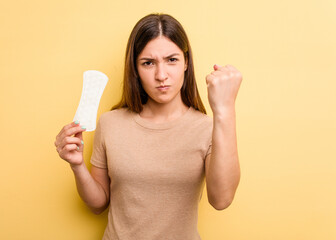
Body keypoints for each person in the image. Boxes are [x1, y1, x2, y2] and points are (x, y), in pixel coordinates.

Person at [55, 13, 242, 240]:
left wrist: (225, 109)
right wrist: (77, 165)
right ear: (135, 68)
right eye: (148, 63)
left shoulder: (209, 129)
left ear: (186, 63)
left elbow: (221, 200)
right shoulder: (110, 123)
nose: (161, 75)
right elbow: (98, 204)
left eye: (171, 60)